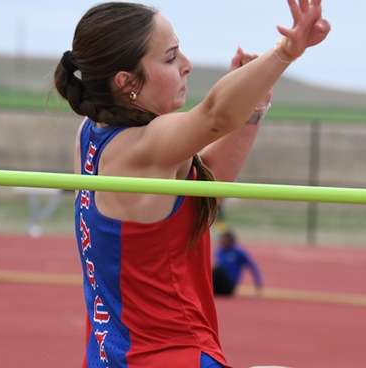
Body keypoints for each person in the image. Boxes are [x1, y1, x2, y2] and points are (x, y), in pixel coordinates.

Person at [54, 2, 330, 367]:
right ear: (126, 82)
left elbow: (206, 185)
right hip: (169, 357)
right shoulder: (140, 148)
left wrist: (252, 108)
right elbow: (216, 114)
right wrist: (285, 53)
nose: (187, 63)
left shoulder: (93, 137)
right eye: (170, 57)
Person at [213, 230, 263, 296]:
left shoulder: (238, 252)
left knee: (218, 270)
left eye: (224, 240)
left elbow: (252, 266)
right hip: (219, 286)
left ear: (230, 240)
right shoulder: (219, 251)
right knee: (213, 270)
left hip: (230, 285)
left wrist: (258, 283)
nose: (221, 242)